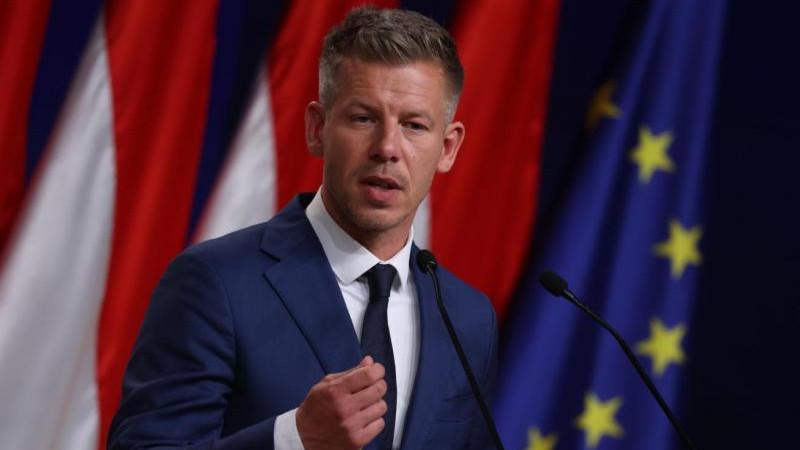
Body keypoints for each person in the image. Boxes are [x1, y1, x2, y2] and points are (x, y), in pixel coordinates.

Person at [108, 7, 497, 450]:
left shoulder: (468, 320)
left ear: (447, 148)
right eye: (364, 118)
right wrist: (294, 438)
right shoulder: (215, 283)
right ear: (317, 128)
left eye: (413, 125)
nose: (387, 147)